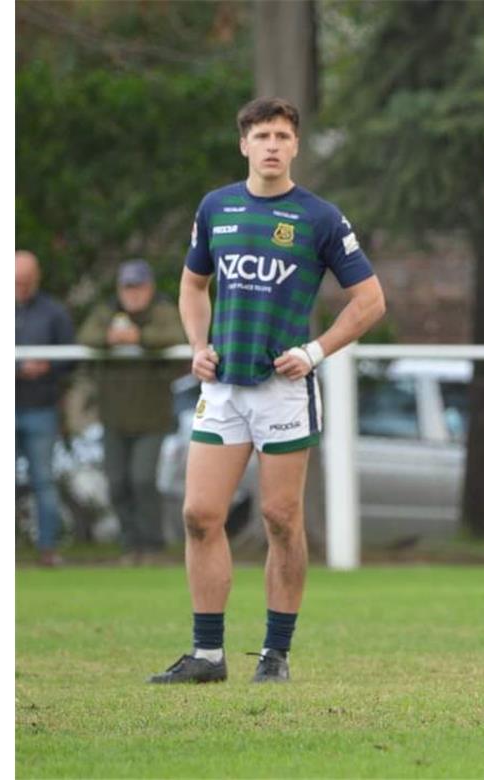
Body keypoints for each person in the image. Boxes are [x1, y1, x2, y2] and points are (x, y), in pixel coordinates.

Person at [149, 97, 387, 685]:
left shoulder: (321, 218)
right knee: (200, 514)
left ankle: (275, 655)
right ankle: (207, 655)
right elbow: (191, 286)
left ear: (296, 146)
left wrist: (314, 352)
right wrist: (197, 344)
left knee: (281, 519)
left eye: (283, 135)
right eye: (262, 135)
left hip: (283, 390)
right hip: (224, 390)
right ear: (244, 145)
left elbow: (371, 302)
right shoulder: (217, 207)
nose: (273, 145)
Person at [77, 259, 185, 564]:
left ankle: (152, 546)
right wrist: (110, 339)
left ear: (149, 287)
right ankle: (129, 545)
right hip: (113, 417)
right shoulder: (106, 311)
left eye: (138, 287)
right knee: (117, 482)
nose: (132, 293)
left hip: (152, 417)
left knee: (142, 480)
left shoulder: (162, 310)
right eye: (127, 287)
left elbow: (177, 336)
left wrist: (140, 339)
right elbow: (86, 337)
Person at [16, 250, 75, 567]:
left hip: (41, 407)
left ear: (36, 278)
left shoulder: (53, 312)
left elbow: (71, 356)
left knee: (44, 480)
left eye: (25, 281)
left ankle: (48, 548)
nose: (20, 287)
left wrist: (47, 365)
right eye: (15, 281)